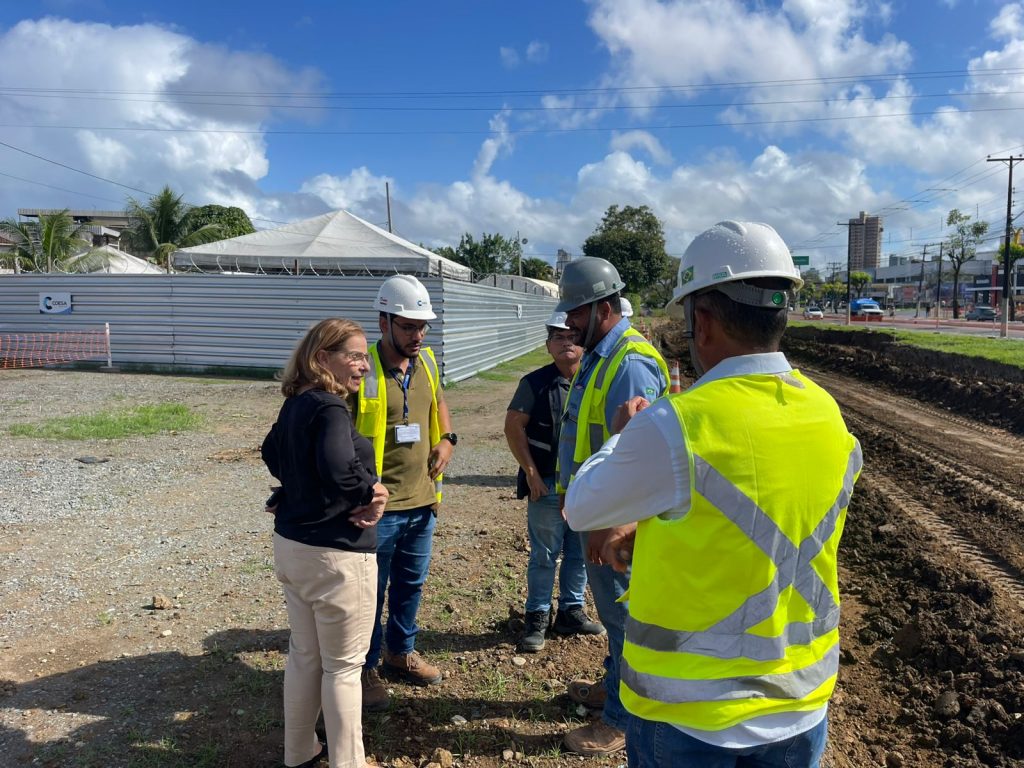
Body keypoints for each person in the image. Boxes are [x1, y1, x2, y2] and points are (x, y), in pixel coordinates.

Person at [565, 221, 863, 768]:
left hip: (691, 719)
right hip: (800, 706)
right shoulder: (828, 416)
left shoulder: (676, 425)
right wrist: (651, 533)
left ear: (701, 320)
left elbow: (582, 505)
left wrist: (623, 436)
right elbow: (752, 524)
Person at [261, 318, 389, 768]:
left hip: (294, 548)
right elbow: (337, 467)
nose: (364, 366)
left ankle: (299, 754)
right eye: (354, 355)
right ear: (322, 359)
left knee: (305, 655)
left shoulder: (297, 402)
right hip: (338, 557)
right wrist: (371, 493)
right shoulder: (331, 407)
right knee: (343, 667)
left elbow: (272, 453)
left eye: (364, 355)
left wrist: (295, 489)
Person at [555, 257, 669, 756]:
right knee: (612, 611)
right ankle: (613, 690)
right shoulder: (603, 353)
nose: (569, 324)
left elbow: (635, 457)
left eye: (576, 313)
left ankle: (620, 722)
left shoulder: (629, 363)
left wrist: (616, 526)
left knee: (624, 619)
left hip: (614, 522)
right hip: (597, 512)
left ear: (603, 307)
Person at [353, 274, 456, 711]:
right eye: (409, 326)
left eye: (422, 326)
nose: (418, 335)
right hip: (380, 508)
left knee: (411, 584)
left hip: (422, 502)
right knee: (369, 592)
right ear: (384, 322)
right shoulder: (362, 368)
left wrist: (448, 438)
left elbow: (439, 405)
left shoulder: (428, 364)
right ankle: (365, 666)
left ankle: (400, 652)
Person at [504, 310, 603, 653]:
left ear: (583, 344)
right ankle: (536, 618)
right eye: (558, 338)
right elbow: (513, 426)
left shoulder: (594, 381)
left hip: (586, 486)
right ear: (548, 345)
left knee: (579, 552)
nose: (566, 344)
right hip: (546, 484)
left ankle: (571, 612)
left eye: (572, 337)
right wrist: (531, 473)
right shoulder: (534, 383)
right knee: (545, 554)